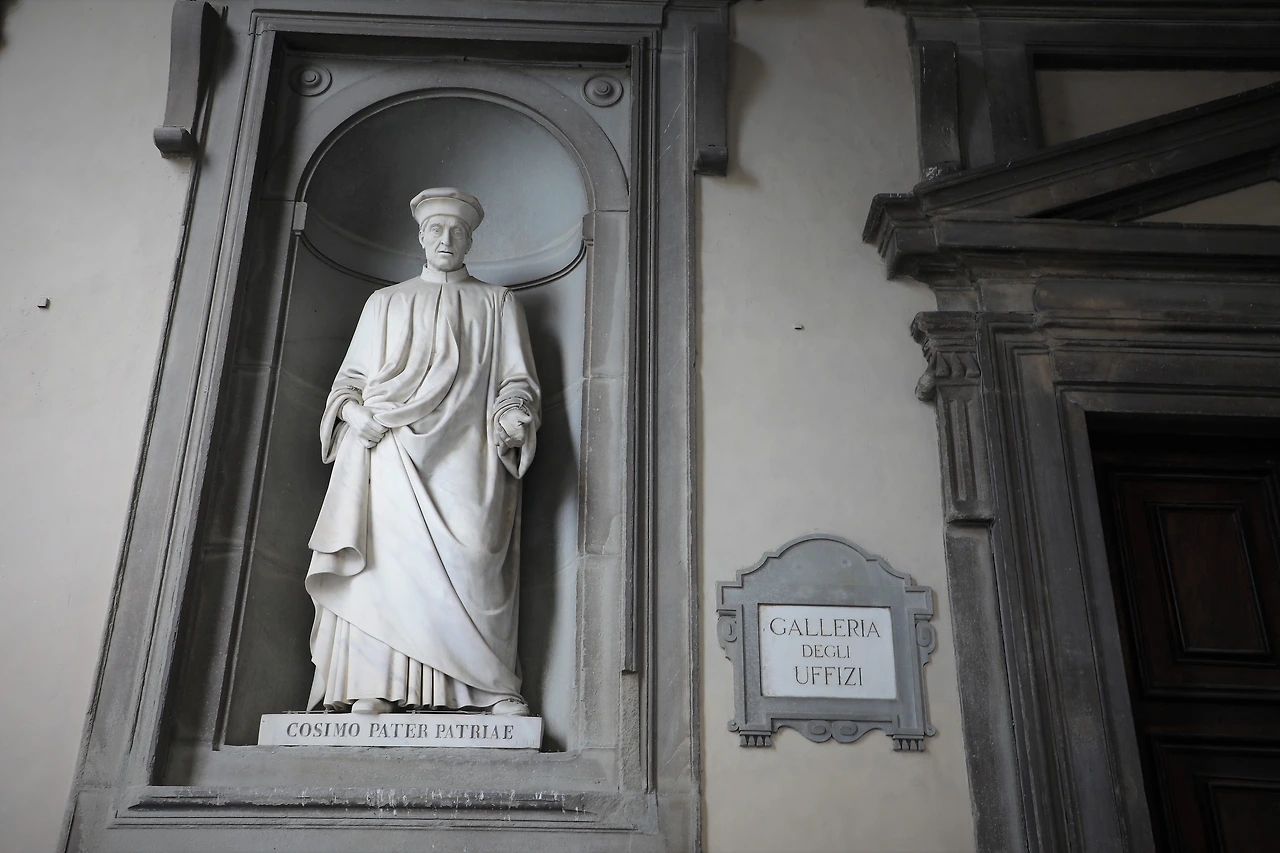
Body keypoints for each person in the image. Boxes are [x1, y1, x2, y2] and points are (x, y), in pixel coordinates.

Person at [304, 187, 539, 716]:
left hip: (469, 456)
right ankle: (374, 685)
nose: (446, 239)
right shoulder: (385, 302)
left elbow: (516, 380)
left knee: (474, 560)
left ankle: (486, 687)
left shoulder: (498, 303)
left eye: (457, 231)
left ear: (470, 240)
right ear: (420, 237)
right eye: (436, 229)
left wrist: (513, 416)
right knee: (384, 568)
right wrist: (354, 414)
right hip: (388, 451)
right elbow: (349, 381)